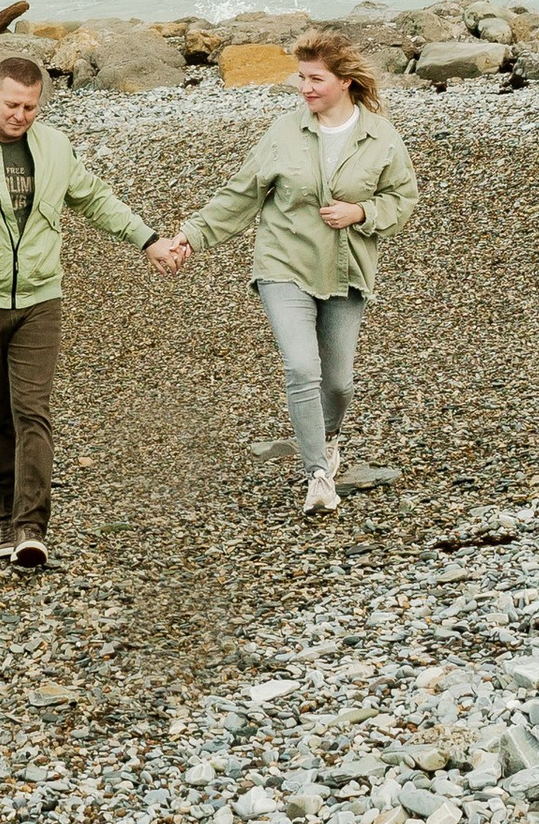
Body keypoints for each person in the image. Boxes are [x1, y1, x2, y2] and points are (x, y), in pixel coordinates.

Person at [0, 50, 160, 570]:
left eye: (31, 107)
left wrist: (148, 240)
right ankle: (5, 518)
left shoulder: (54, 147)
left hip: (41, 300)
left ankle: (29, 529)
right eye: (12, 105)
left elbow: (94, 199)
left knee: (32, 413)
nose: (21, 115)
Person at [149, 33, 419, 515]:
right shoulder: (284, 132)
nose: (305, 88)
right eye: (302, 78)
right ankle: (317, 476)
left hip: (346, 270)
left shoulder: (381, 137)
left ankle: (328, 437)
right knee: (301, 367)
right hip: (284, 264)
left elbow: (402, 199)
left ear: (346, 82)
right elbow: (241, 194)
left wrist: (362, 212)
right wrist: (189, 235)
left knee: (338, 383)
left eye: (316, 79)